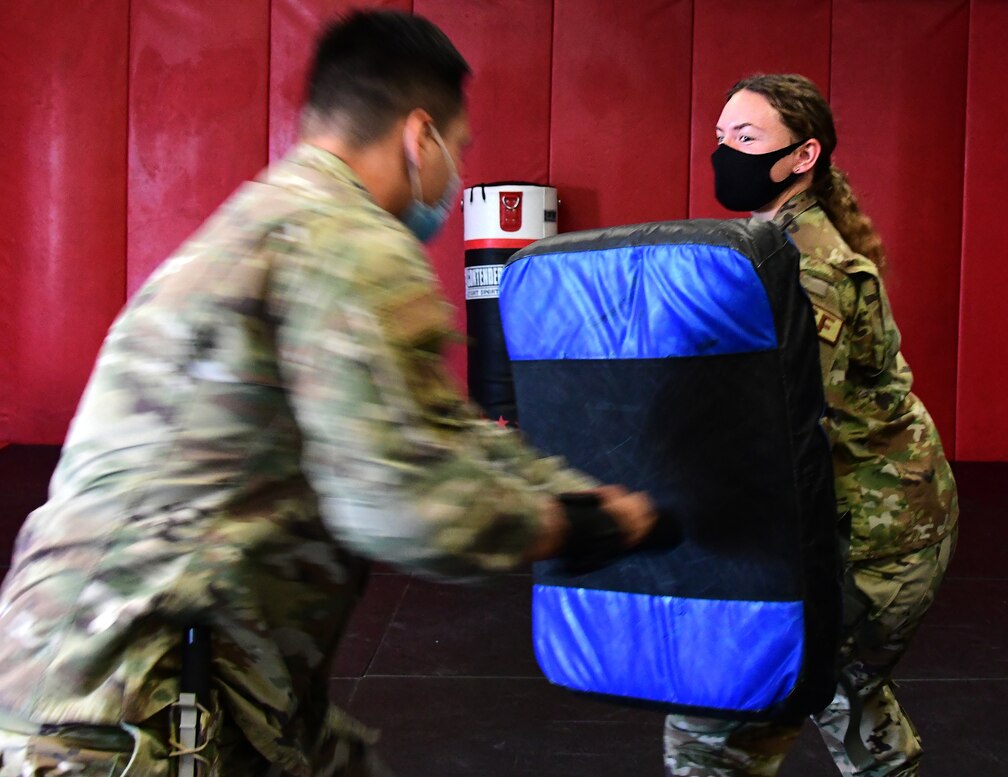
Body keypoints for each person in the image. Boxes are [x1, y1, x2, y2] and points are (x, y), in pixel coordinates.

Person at [0, 10, 656, 776]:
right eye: (460, 150)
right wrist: (577, 528)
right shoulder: (354, 243)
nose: (455, 176)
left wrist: (584, 496)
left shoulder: (274, 220)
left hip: (120, 674)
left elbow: (442, 432)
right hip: (128, 714)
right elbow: (402, 507)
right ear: (421, 137)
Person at [663, 74, 959, 777]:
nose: (724, 151)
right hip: (889, 521)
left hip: (872, 543)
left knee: (714, 725)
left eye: (746, 137)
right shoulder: (772, 240)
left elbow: (782, 426)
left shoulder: (806, 265)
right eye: (720, 137)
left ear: (803, 156)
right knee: (841, 689)